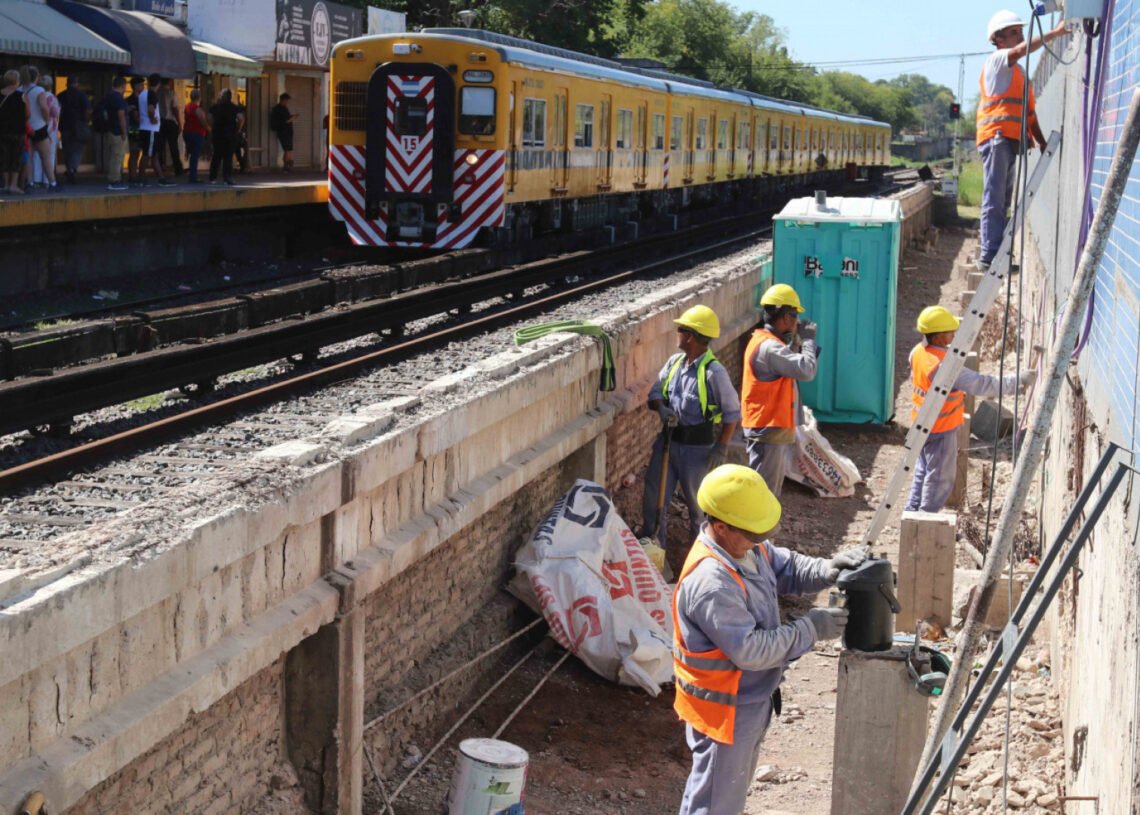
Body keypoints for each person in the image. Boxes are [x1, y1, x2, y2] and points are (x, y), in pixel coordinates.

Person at [673, 464, 865, 815]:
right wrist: (812, 628)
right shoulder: (712, 584)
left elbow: (783, 565)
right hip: (725, 710)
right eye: (754, 535)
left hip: (749, 697)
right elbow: (751, 649)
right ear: (720, 527)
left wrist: (827, 569)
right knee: (715, 803)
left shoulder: (743, 547)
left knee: (721, 796)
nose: (761, 541)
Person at [906, 306, 1036, 512]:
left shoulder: (918, 353)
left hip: (921, 424)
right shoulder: (945, 368)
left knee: (923, 470)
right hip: (940, 428)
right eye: (950, 331)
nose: (954, 334)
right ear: (939, 337)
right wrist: (1019, 381)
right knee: (940, 477)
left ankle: (912, 513)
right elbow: (983, 384)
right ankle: (925, 521)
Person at [641, 305, 741, 557]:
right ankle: (656, 558)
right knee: (655, 501)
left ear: (690, 336)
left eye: (681, 329)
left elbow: (732, 414)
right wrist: (661, 409)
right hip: (668, 443)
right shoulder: (674, 363)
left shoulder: (713, 373)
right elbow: (654, 394)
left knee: (699, 508)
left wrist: (722, 446)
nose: (677, 333)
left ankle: (701, 559)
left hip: (697, 452)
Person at [976, 10, 1072, 270]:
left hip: (1008, 142)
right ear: (997, 39)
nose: (1020, 36)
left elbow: (1029, 115)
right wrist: (1056, 32)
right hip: (996, 138)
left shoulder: (1019, 76)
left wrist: (1040, 141)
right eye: (1014, 32)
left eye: (1020, 31)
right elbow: (1019, 51)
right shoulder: (997, 61)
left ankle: (1000, 254)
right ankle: (989, 254)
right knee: (994, 198)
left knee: (1003, 200)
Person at [741, 284, 819, 498]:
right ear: (785, 317)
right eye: (794, 317)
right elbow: (807, 370)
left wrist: (796, 342)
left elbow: (791, 365)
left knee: (765, 491)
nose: (796, 324)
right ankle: (758, 532)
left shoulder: (767, 342)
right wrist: (809, 342)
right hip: (768, 427)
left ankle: (759, 531)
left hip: (768, 428)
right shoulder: (770, 347)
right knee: (764, 495)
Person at [22, 65, 57, 190]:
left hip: (25, 126)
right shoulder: (39, 90)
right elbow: (44, 107)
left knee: (29, 157)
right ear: (36, 77)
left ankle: (30, 182)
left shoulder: (20, 89)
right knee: (45, 156)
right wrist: (46, 121)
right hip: (39, 126)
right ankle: (52, 183)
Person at [137, 73, 172, 186]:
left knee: (153, 154)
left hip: (144, 127)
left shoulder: (142, 94)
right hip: (150, 128)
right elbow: (151, 109)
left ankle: (161, 177)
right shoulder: (152, 94)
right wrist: (152, 119)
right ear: (159, 83)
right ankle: (141, 179)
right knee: (147, 154)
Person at [56, 76, 90, 183]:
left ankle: (69, 167)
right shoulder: (82, 95)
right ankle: (72, 168)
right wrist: (86, 121)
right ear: (77, 83)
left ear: (67, 84)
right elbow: (88, 110)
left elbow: (56, 110)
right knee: (78, 148)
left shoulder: (61, 95)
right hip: (79, 125)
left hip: (65, 125)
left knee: (67, 148)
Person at [0, 70, 27, 194]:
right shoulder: (22, 95)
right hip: (18, 131)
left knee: (4, 157)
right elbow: (28, 113)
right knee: (16, 157)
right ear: (17, 81)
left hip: (2, 131)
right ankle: (13, 185)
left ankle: (5, 184)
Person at [208, 89, 242, 185]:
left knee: (216, 156)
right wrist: (238, 129)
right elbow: (241, 118)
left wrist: (212, 127)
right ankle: (227, 178)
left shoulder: (215, 107)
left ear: (221, 97)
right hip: (230, 135)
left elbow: (209, 117)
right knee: (228, 157)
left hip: (218, 134)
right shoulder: (234, 108)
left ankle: (212, 178)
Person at [101, 76, 130, 191]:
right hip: (117, 131)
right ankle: (114, 180)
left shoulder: (108, 96)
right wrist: (124, 132)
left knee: (114, 156)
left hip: (110, 130)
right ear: (123, 86)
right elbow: (121, 116)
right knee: (117, 157)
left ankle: (116, 178)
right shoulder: (119, 99)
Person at [31, 75, 60, 189]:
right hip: (50, 128)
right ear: (50, 86)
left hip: (35, 126)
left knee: (35, 155)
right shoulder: (51, 98)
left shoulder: (33, 95)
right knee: (49, 154)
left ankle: (35, 179)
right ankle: (47, 180)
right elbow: (55, 113)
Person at [158, 77, 183, 175]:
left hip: (160, 122)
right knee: (173, 146)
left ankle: (160, 166)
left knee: (160, 146)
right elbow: (175, 108)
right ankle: (178, 168)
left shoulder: (157, 92)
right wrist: (179, 123)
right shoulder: (171, 93)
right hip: (170, 121)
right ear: (170, 81)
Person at [182, 88, 208, 183]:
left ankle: (192, 174)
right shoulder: (197, 109)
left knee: (192, 155)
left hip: (187, 132)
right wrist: (209, 129)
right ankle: (193, 177)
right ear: (199, 97)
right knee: (195, 156)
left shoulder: (187, 106)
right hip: (197, 134)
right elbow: (203, 121)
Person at [270, 92, 297, 171]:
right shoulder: (277, 109)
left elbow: (287, 118)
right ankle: (287, 165)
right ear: (283, 100)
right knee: (287, 148)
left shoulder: (285, 108)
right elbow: (281, 121)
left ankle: (288, 164)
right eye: (286, 100)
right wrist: (289, 120)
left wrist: (291, 118)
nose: (287, 102)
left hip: (288, 131)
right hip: (283, 131)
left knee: (289, 148)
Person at [125, 76, 144, 185]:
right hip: (136, 129)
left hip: (133, 128)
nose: (142, 87)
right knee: (135, 153)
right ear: (136, 86)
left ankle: (133, 175)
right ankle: (133, 176)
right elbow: (137, 116)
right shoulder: (135, 100)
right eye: (141, 85)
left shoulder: (128, 100)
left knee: (135, 153)